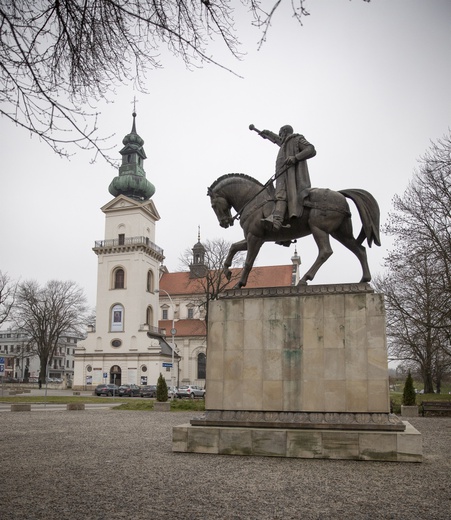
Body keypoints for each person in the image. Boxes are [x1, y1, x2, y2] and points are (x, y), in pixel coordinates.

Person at [257, 124, 316, 231]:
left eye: (280, 133)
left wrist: (295, 157)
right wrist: (267, 134)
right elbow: (277, 139)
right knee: (279, 195)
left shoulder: (296, 139)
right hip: (281, 175)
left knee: (281, 195)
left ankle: (277, 221)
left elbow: (310, 149)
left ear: (284, 132)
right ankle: (281, 223)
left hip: (289, 176)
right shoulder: (285, 143)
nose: (280, 136)